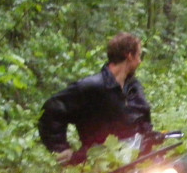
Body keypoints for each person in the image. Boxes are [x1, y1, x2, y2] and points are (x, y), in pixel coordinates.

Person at [38, 32, 152, 164]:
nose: (140, 61)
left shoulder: (133, 86)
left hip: (138, 161)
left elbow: (143, 118)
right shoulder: (91, 87)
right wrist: (61, 148)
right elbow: (52, 110)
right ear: (129, 56)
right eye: (139, 55)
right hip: (99, 164)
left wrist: (151, 137)